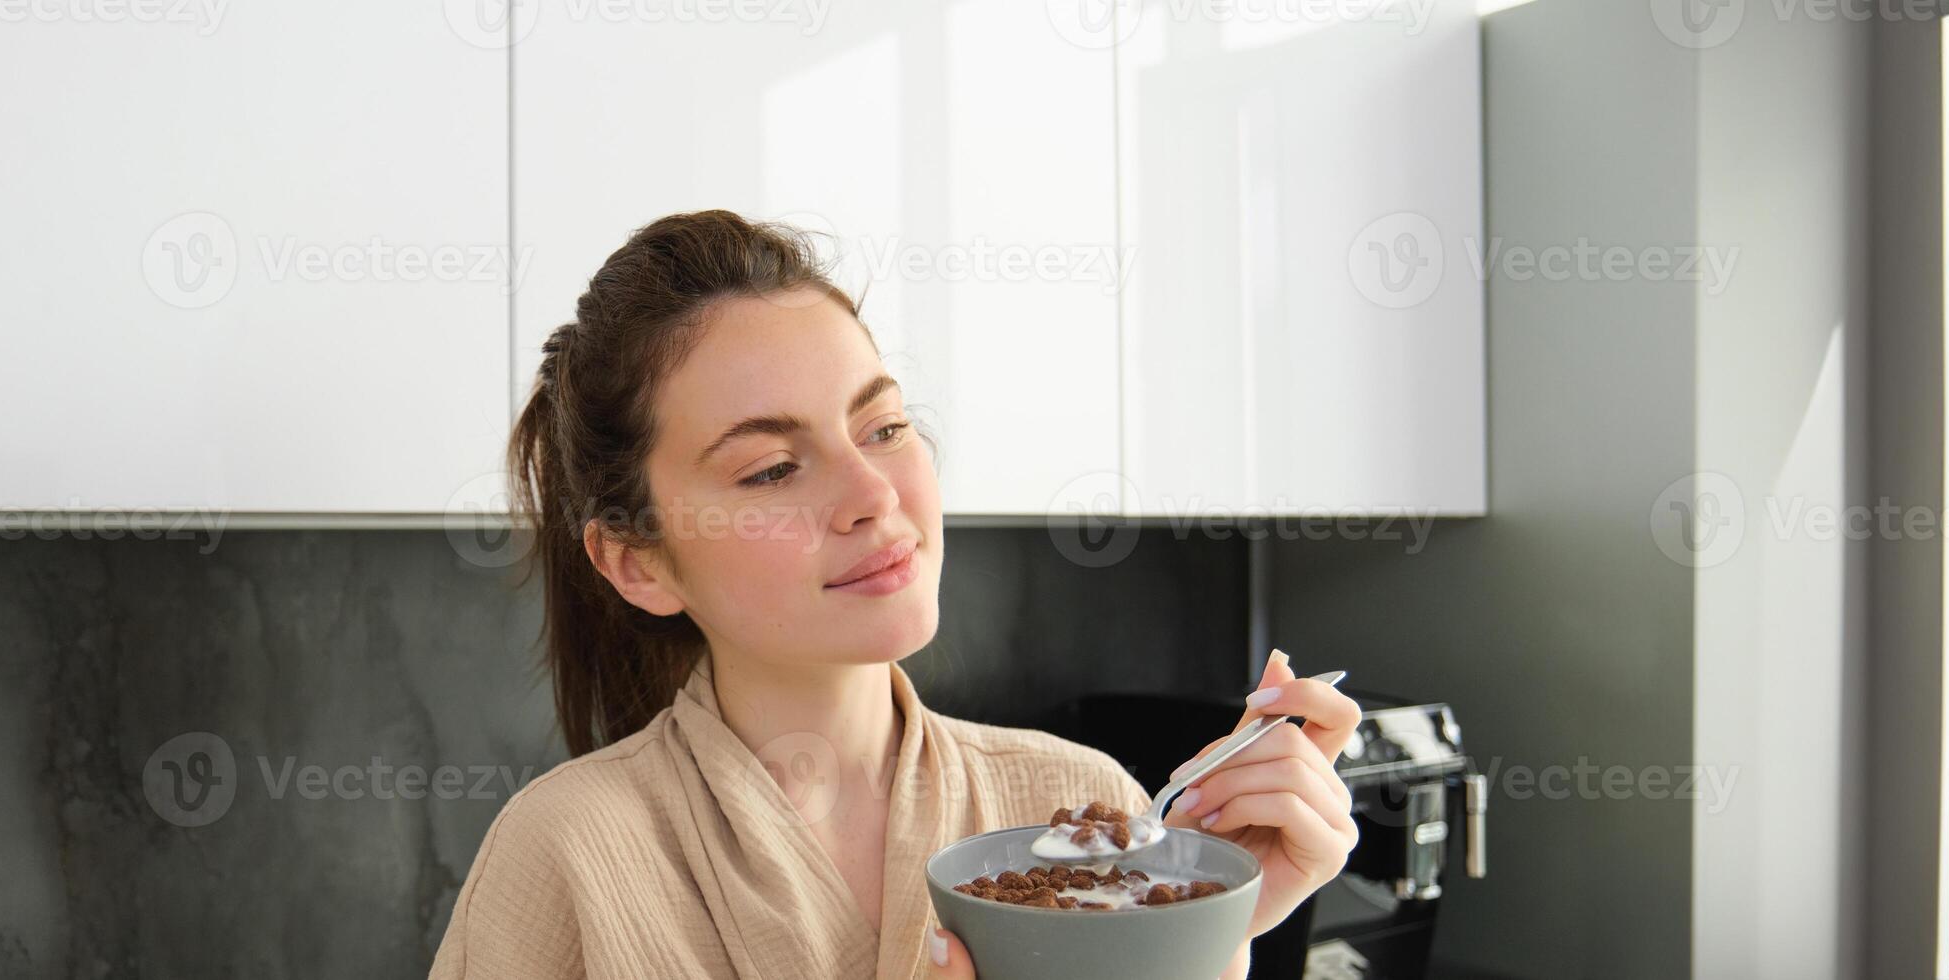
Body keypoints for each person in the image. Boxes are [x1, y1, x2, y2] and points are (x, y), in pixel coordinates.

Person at [428, 211, 1360, 979]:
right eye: (772, 469)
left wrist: (1209, 939)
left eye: (883, 427)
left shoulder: (1088, 809)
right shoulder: (568, 854)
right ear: (639, 563)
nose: (875, 496)